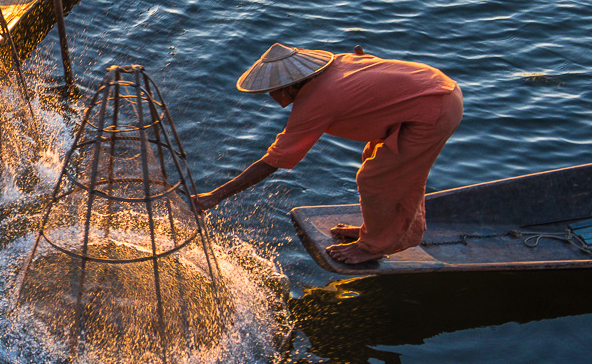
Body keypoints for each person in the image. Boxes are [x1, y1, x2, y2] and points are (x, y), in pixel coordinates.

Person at [192, 43, 463, 265]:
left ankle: (373, 246)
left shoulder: (316, 101)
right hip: (432, 87)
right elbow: (366, 64)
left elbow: (275, 160)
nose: (271, 97)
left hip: (433, 110)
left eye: (272, 91)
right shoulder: (337, 63)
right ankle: (381, 231)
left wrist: (215, 196)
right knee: (380, 165)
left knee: (379, 179)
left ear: (290, 86)